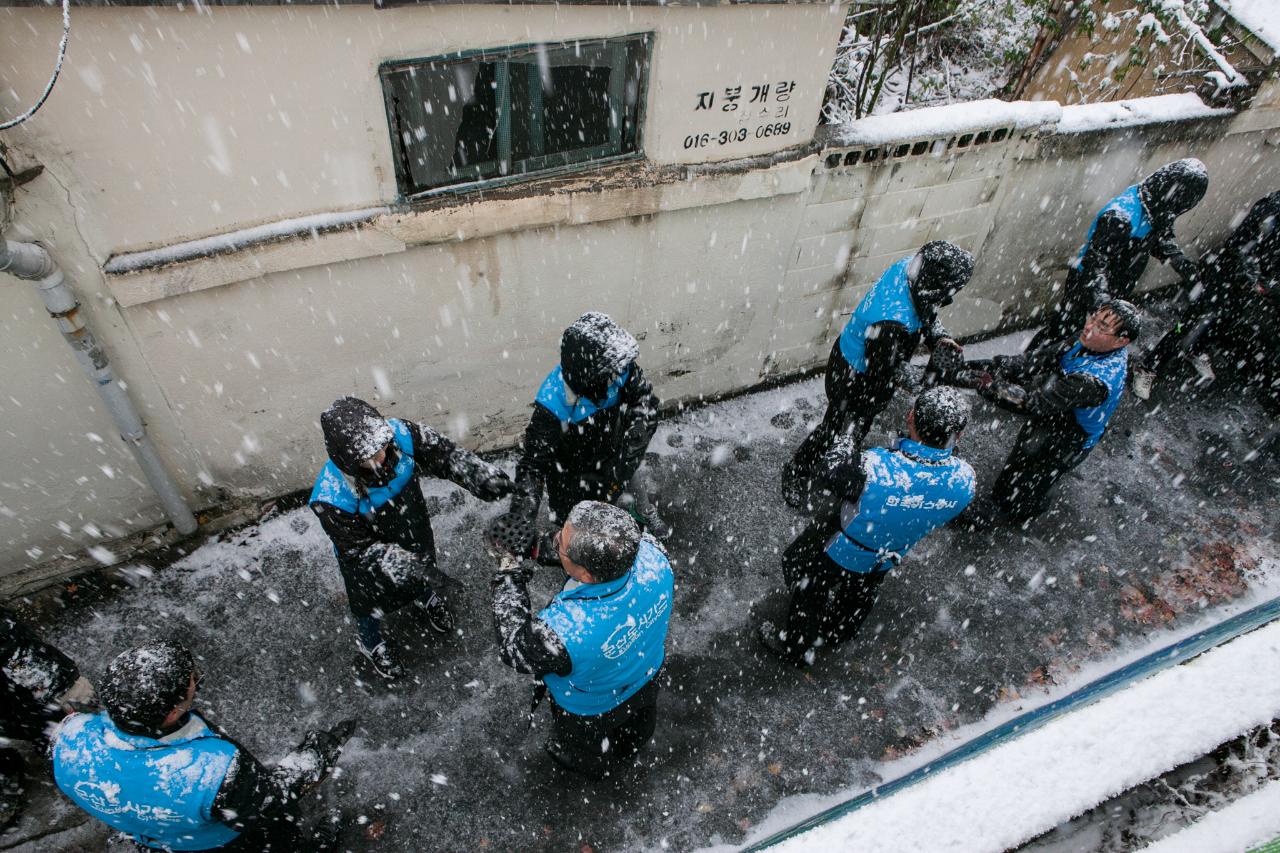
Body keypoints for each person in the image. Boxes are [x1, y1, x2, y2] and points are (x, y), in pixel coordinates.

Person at [50, 641, 355, 852]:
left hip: (156, 835)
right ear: (171, 712)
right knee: (276, 837)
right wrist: (319, 751)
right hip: (221, 842)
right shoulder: (212, 771)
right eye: (193, 681)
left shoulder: (69, 739)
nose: (196, 681)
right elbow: (270, 800)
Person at [761, 388, 975, 667]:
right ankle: (838, 631)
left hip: (840, 548)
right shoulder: (964, 480)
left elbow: (831, 469)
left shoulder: (874, 467)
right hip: (887, 555)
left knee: (811, 590)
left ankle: (796, 648)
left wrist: (848, 439)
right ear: (958, 435)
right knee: (860, 593)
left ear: (910, 417)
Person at [310, 396, 513, 679]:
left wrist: (477, 475)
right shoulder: (331, 496)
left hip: (411, 523)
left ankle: (424, 597)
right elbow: (360, 549)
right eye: (367, 458)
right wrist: (406, 565)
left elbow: (444, 455)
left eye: (381, 447)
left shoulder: (401, 434)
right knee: (369, 602)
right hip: (367, 559)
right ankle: (372, 642)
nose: (380, 458)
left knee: (422, 565)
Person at [488, 500, 674, 778]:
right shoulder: (653, 553)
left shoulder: (565, 630)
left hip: (591, 707)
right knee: (638, 725)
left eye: (558, 543)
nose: (552, 541)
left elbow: (514, 646)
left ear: (586, 574)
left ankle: (594, 768)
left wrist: (508, 572)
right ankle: (631, 747)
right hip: (647, 673)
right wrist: (539, 548)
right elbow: (606, 553)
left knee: (584, 748)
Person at [782, 241, 974, 507]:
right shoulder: (890, 324)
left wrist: (939, 338)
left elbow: (926, 307)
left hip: (860, 363)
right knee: (835, 428)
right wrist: (928, 380)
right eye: (946, 292)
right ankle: (798, 472)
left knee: (856, 426)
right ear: (932, 284)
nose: (948, 300)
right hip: (854, 377)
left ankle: (842, 462)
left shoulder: (910, 269)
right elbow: (886, 370)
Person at [966, 301, 1139, 523]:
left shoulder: (1094, 381)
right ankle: (1027, 497)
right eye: (1093, 317)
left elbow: (1031, 402)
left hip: (1071, 435)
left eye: (1102, 327)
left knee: (1031, 473)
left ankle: (1006, 511)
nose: (1090, 326)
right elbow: (1038, 360)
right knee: (1025, 457)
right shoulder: (1089, 340)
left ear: (1121, 341)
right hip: (1059, 413)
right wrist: (984, 366)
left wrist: (988, 385)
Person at [507, 312, 667, 537]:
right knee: (574, 522)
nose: (617, 377)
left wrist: (631, 450)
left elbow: (645, 402)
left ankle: (641, 511)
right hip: (569, 473)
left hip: (614, 450)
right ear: (588, 375)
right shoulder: (554, 400)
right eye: (609, 374)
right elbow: (532, 466)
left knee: (621, 488)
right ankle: (573, 549)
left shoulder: (618, 367)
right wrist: (520, 522)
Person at [1029, 158, 1206, 354]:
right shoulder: (1120, 217)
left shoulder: (1157, 207)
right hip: (1087, 286)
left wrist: (1179, 261)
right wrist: (1103, 306)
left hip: (1119, 283)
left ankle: (1067, 365)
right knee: (1064, 332)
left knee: (1090, 339)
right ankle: (1031, 363)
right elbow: (1094, 266)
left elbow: (1159, 236)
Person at [1133, 189, 1280, 401]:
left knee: (1223, 323)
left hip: (1251, 288)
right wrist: (1255, 280)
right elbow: (1239, 246)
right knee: (1187, 324)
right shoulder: (1273, 208)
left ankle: (1196, 350)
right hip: (1227, 278)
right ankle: (1148, 367)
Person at [1, 607, 95, 828]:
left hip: (17, 697)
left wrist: (61, 683)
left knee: (43, 722)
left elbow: (8, 641)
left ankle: (64, 756)